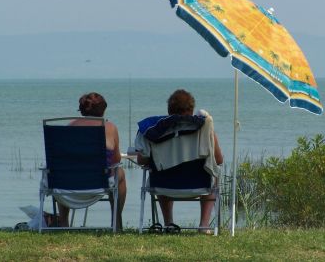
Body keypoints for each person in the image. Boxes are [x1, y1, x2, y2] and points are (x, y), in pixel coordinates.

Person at [137, 89, 223, 233]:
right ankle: (204, 225)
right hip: (199, 185)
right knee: (212, 175)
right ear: (191, 109)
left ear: (169, 110)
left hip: (163, 186)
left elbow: (141, 160)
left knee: (160, 170)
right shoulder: (205, 129)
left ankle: (169, 223)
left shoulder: (154, 129)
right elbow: (218, 160)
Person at [56, 92, 127, 230]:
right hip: (98, 182)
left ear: (82, 110)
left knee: (62, 172)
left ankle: (64, 222)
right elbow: (116, 159)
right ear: (103, 110)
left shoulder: (70, 126)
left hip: (68, 184)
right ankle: (116, 223)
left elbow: (62, 157)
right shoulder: (109, 127)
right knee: (121, 173)